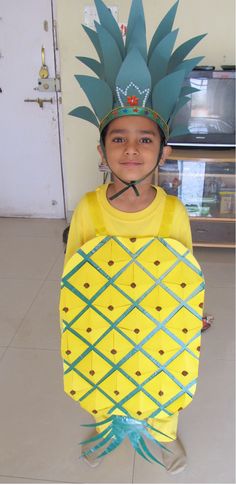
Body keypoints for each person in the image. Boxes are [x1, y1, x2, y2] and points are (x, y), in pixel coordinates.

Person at [61, 0, 206, 473]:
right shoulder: (86, 208)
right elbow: (72, 277)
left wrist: (194, 314)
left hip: (159, 320)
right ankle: (108, 430)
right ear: (102, 150)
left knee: (163, 388)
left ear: (163, 153)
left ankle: (162, 436)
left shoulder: (173, 212)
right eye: (118, 137)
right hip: (103, 321)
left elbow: (185, 270)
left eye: (145, 139)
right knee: (105, 379)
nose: (131, 148)